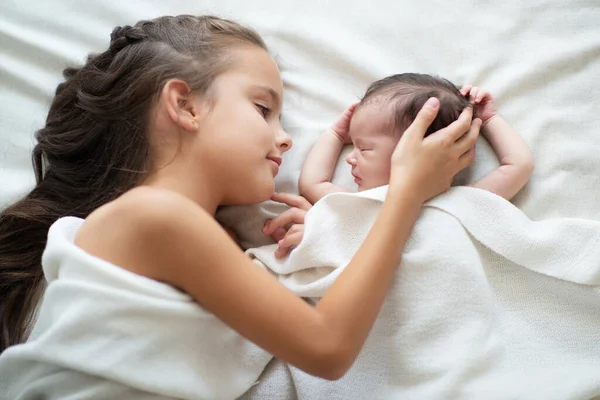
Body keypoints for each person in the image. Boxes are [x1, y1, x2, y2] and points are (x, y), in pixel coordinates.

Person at [0, 15, 479, 382]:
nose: (286, 138)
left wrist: (331, 234)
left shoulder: (193, 234)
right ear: (185, 104)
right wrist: (407, 191)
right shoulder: (153, 215)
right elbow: (328, 348)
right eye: (263, 108)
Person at [300, 73, 534, 204]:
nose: (350, 158)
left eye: (364, 149)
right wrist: (335, 135)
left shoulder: (461, 202)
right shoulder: (364, 204)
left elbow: (519, 165)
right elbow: (312, 185)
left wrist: (489, 119)